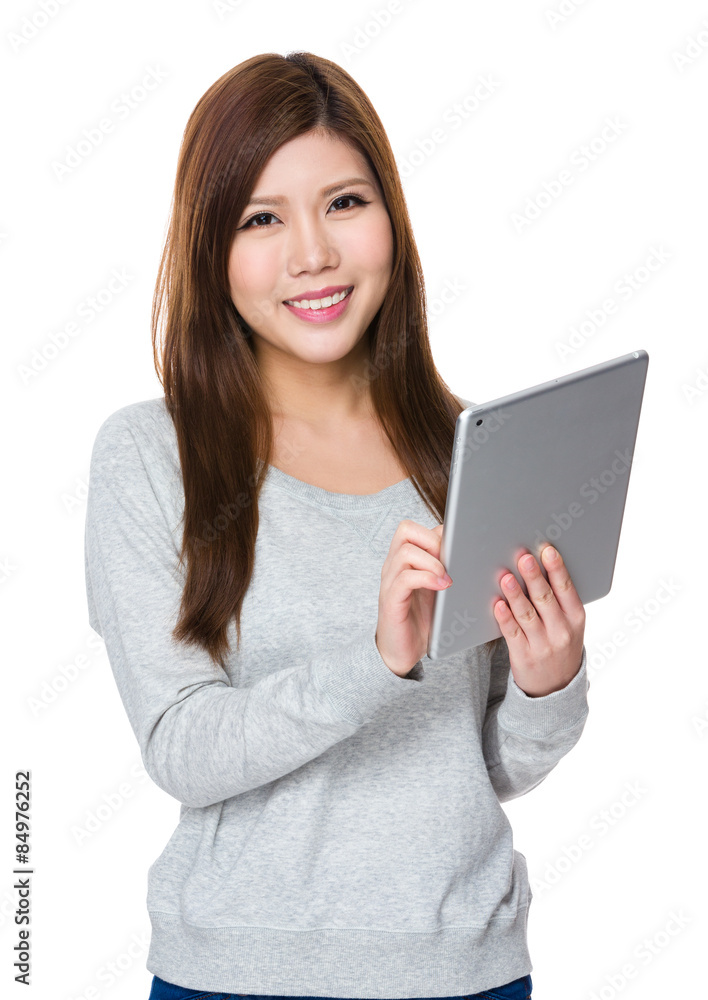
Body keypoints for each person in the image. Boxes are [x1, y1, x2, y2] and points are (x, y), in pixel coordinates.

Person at [83, 51, 590, 1000]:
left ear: (391, 217)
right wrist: (379, 660)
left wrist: (548, 681)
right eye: (261, 219)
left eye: (345, 203)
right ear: (210, 249)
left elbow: (484, 768)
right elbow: (182, 752)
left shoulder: (472, 450)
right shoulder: (151, 457)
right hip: (235, 976)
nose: (312, 253)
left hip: (464, 973)